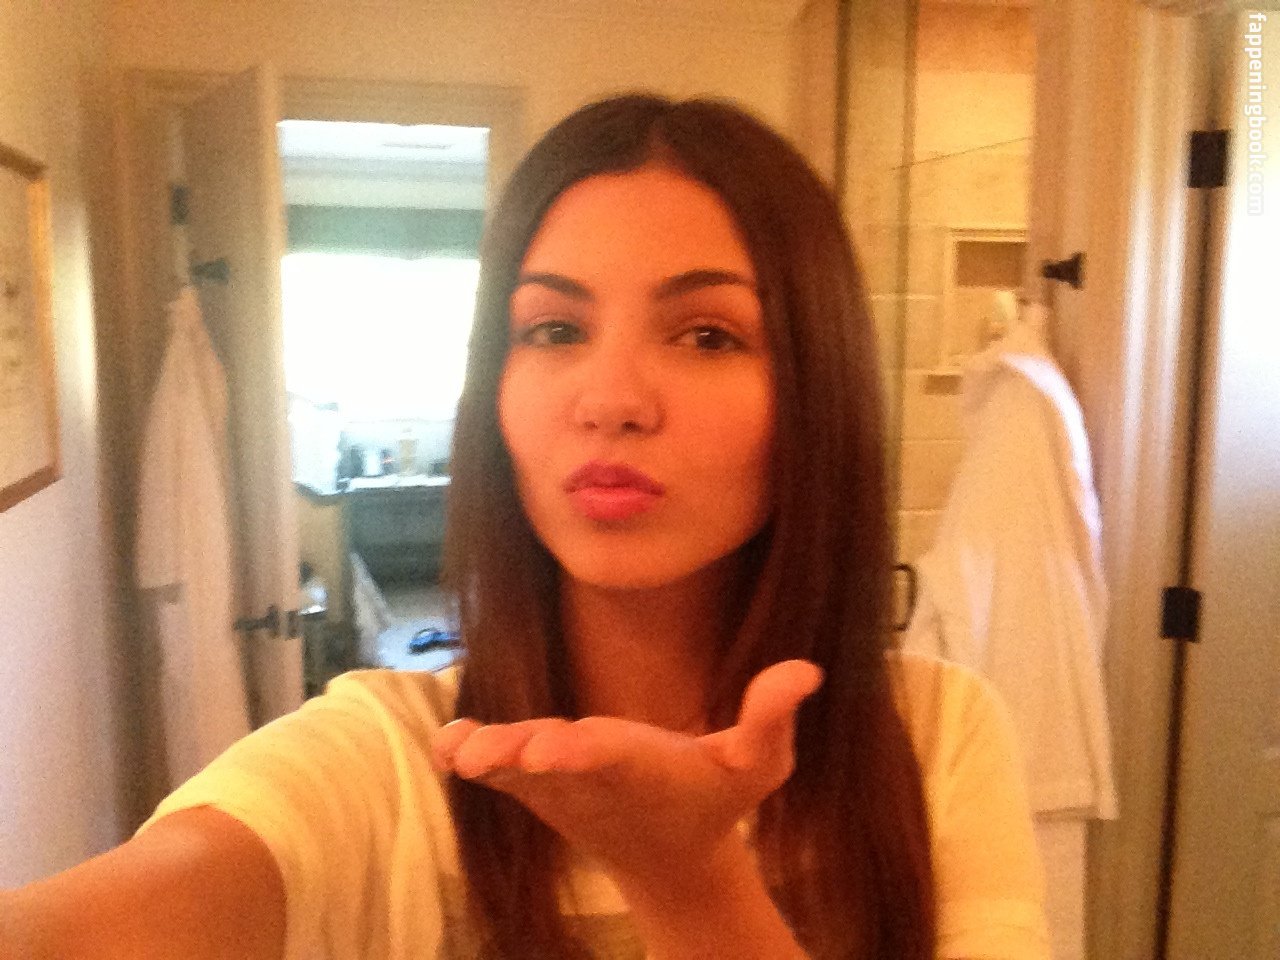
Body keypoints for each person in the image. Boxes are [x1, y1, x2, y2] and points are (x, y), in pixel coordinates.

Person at [0, 94, 1049, 960]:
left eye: (705, 334)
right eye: (551, 328)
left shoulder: (935, 740)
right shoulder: (390, 762)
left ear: (819, 391)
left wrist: (688, 879)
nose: (610, 399)